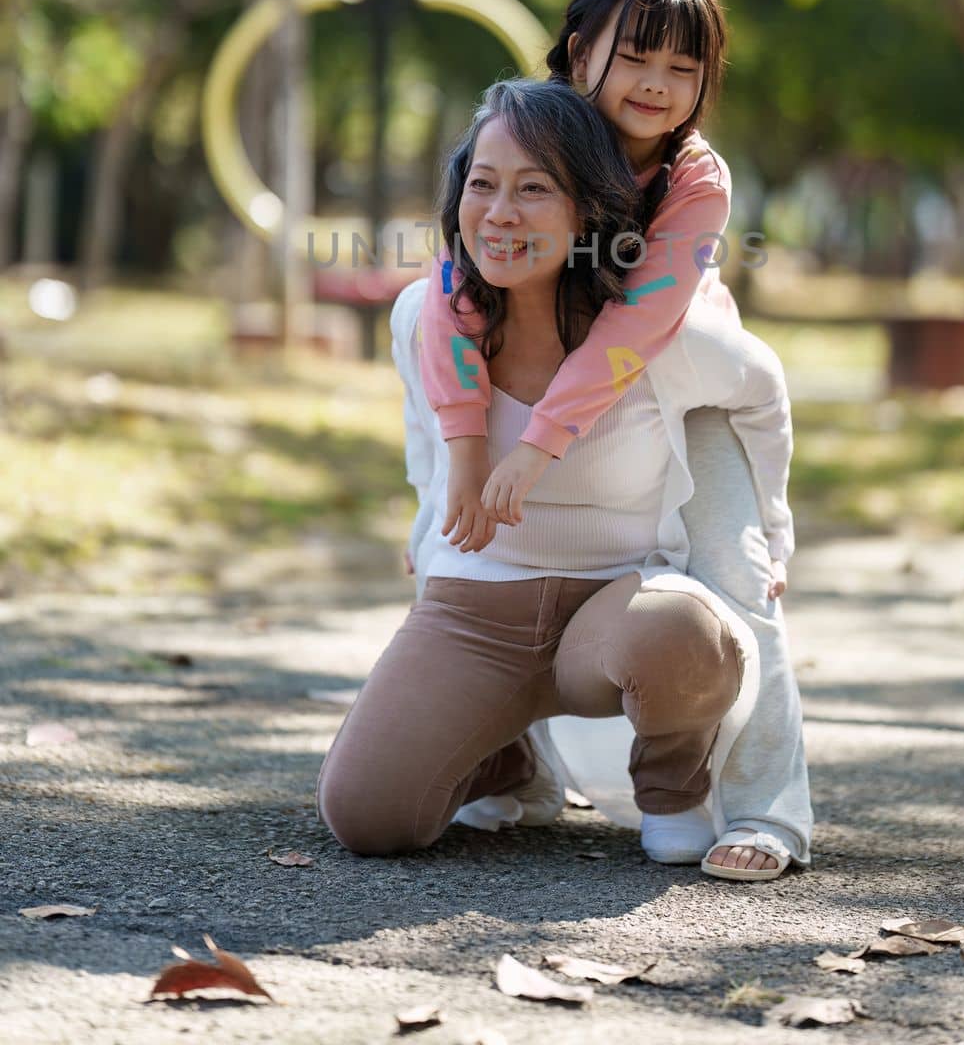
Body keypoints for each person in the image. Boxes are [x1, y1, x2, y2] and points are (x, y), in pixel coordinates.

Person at [317, 79, 811, 876]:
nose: (500, 213)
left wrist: (772, 530)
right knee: (368, 817)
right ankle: (507, 760)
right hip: (478, 611)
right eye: (482, 185)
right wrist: (426, 527)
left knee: (682, 630)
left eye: (534, 189)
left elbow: (763, 390)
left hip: (615, 610)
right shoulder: (423, 316)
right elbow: (424, 441)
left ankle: (672, 786)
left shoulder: (656, 339)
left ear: (589, 211)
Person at [417, 0, 793, 637]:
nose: (656, 85)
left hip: (674, 366)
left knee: (737, 573)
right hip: (561, 346)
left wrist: (537, 444)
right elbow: (454, 283)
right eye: (635, 59)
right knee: (416, 309)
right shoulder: (526, 129)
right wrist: (466, 451)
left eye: (682, 70)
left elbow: (635, 324)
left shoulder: (693, 177)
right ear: (581, 53)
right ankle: (431, 511)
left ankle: (772, 529)